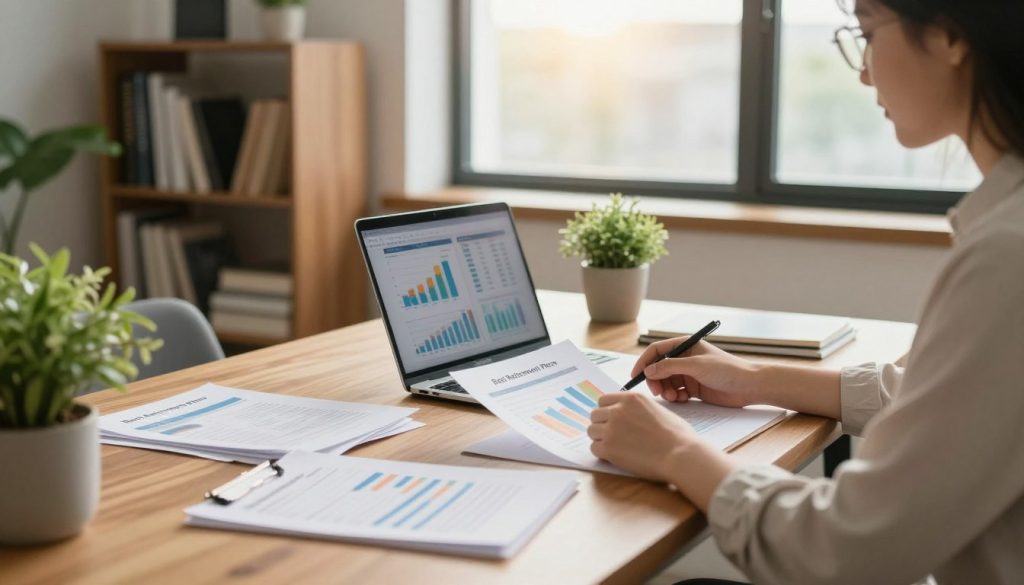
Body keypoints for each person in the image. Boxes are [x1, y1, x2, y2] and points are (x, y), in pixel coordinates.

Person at [586, 0, 1024, 583]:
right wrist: (756, 380)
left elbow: (846, 551)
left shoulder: (1006, 258)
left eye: (867, 32)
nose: (864, 71)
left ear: (948, 36)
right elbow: (957, 404)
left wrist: (675, 451)